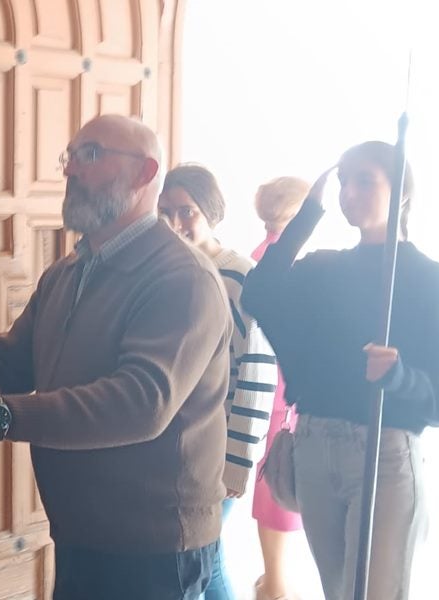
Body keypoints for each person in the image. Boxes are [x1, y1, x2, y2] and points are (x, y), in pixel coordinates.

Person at [0, 115, 232, 599]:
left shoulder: (181, 278)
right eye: (69, 156)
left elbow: (140, 403)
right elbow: (9, 359)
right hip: (79, 534)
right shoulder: (70, 270)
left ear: (144, 173)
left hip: (151, 550)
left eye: (90, 154)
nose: (70, 169)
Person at [241, 142, 439, 600]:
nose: (349, 191)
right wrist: (308, 213)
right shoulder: (325, 268)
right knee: (339, 593)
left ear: (402, 191)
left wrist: (400, 376)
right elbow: (259, 294)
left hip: (384, 454)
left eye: (366, 179)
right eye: (343, 179)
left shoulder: (429, 278)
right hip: (315, 446)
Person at [158, 164, 278, 600]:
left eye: (187, 211)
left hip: (218, 445)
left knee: (206, 557)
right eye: (165, 210)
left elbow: (258, 371)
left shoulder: (240, 276)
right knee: (196, 554)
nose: (174, 222)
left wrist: (239, 458)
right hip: (174, 444)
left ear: (210, 213)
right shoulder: (165, 273)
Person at [249, 176, 310, 600]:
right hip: (279, 398)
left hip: (273, 395)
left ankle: (273, 583)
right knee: (280, 499)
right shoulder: (283, 262)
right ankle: (274, 587)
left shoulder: (262, 256)